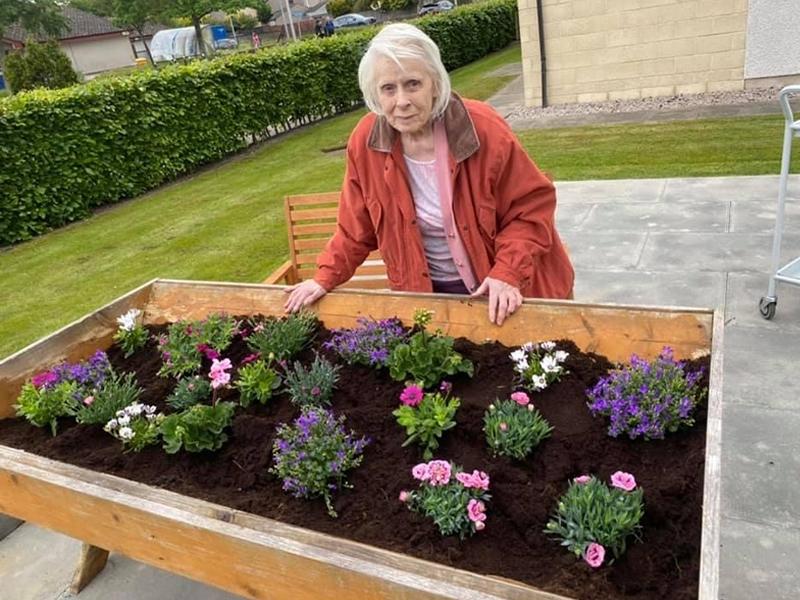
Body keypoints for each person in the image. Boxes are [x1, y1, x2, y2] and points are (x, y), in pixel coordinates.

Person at [285, 23, 574, 325]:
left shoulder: (481, 129)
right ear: (375, 93)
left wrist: (507, 272)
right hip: (427, 296)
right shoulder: (366, 142)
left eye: (412, 84)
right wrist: (323, 278)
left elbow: (530, 209)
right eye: (388, 89)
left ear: (434, 83)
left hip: (509, 290)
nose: (402, 101)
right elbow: (355, 230)